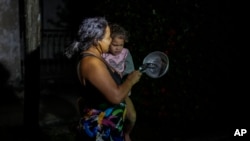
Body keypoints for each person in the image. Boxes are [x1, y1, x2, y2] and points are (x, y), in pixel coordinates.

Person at [64, 17, 142, 141]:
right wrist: (130, 80)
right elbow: (115, 97)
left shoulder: (98, 58)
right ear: (96, 40)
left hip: (110, 127)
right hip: (100, 130)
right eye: (108, 37)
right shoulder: (91, 63)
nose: (111, 40)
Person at [101, 24, 136, 141]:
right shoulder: (103, 54)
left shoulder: (125, 53)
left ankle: (126, 133)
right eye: (115, 45)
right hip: (108, 91)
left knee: (132, 116)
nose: (118, 48)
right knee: (110, 118)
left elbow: (130, 70)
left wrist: (125, 78)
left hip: (123, 91)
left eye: (121, 45)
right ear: (108, 42)